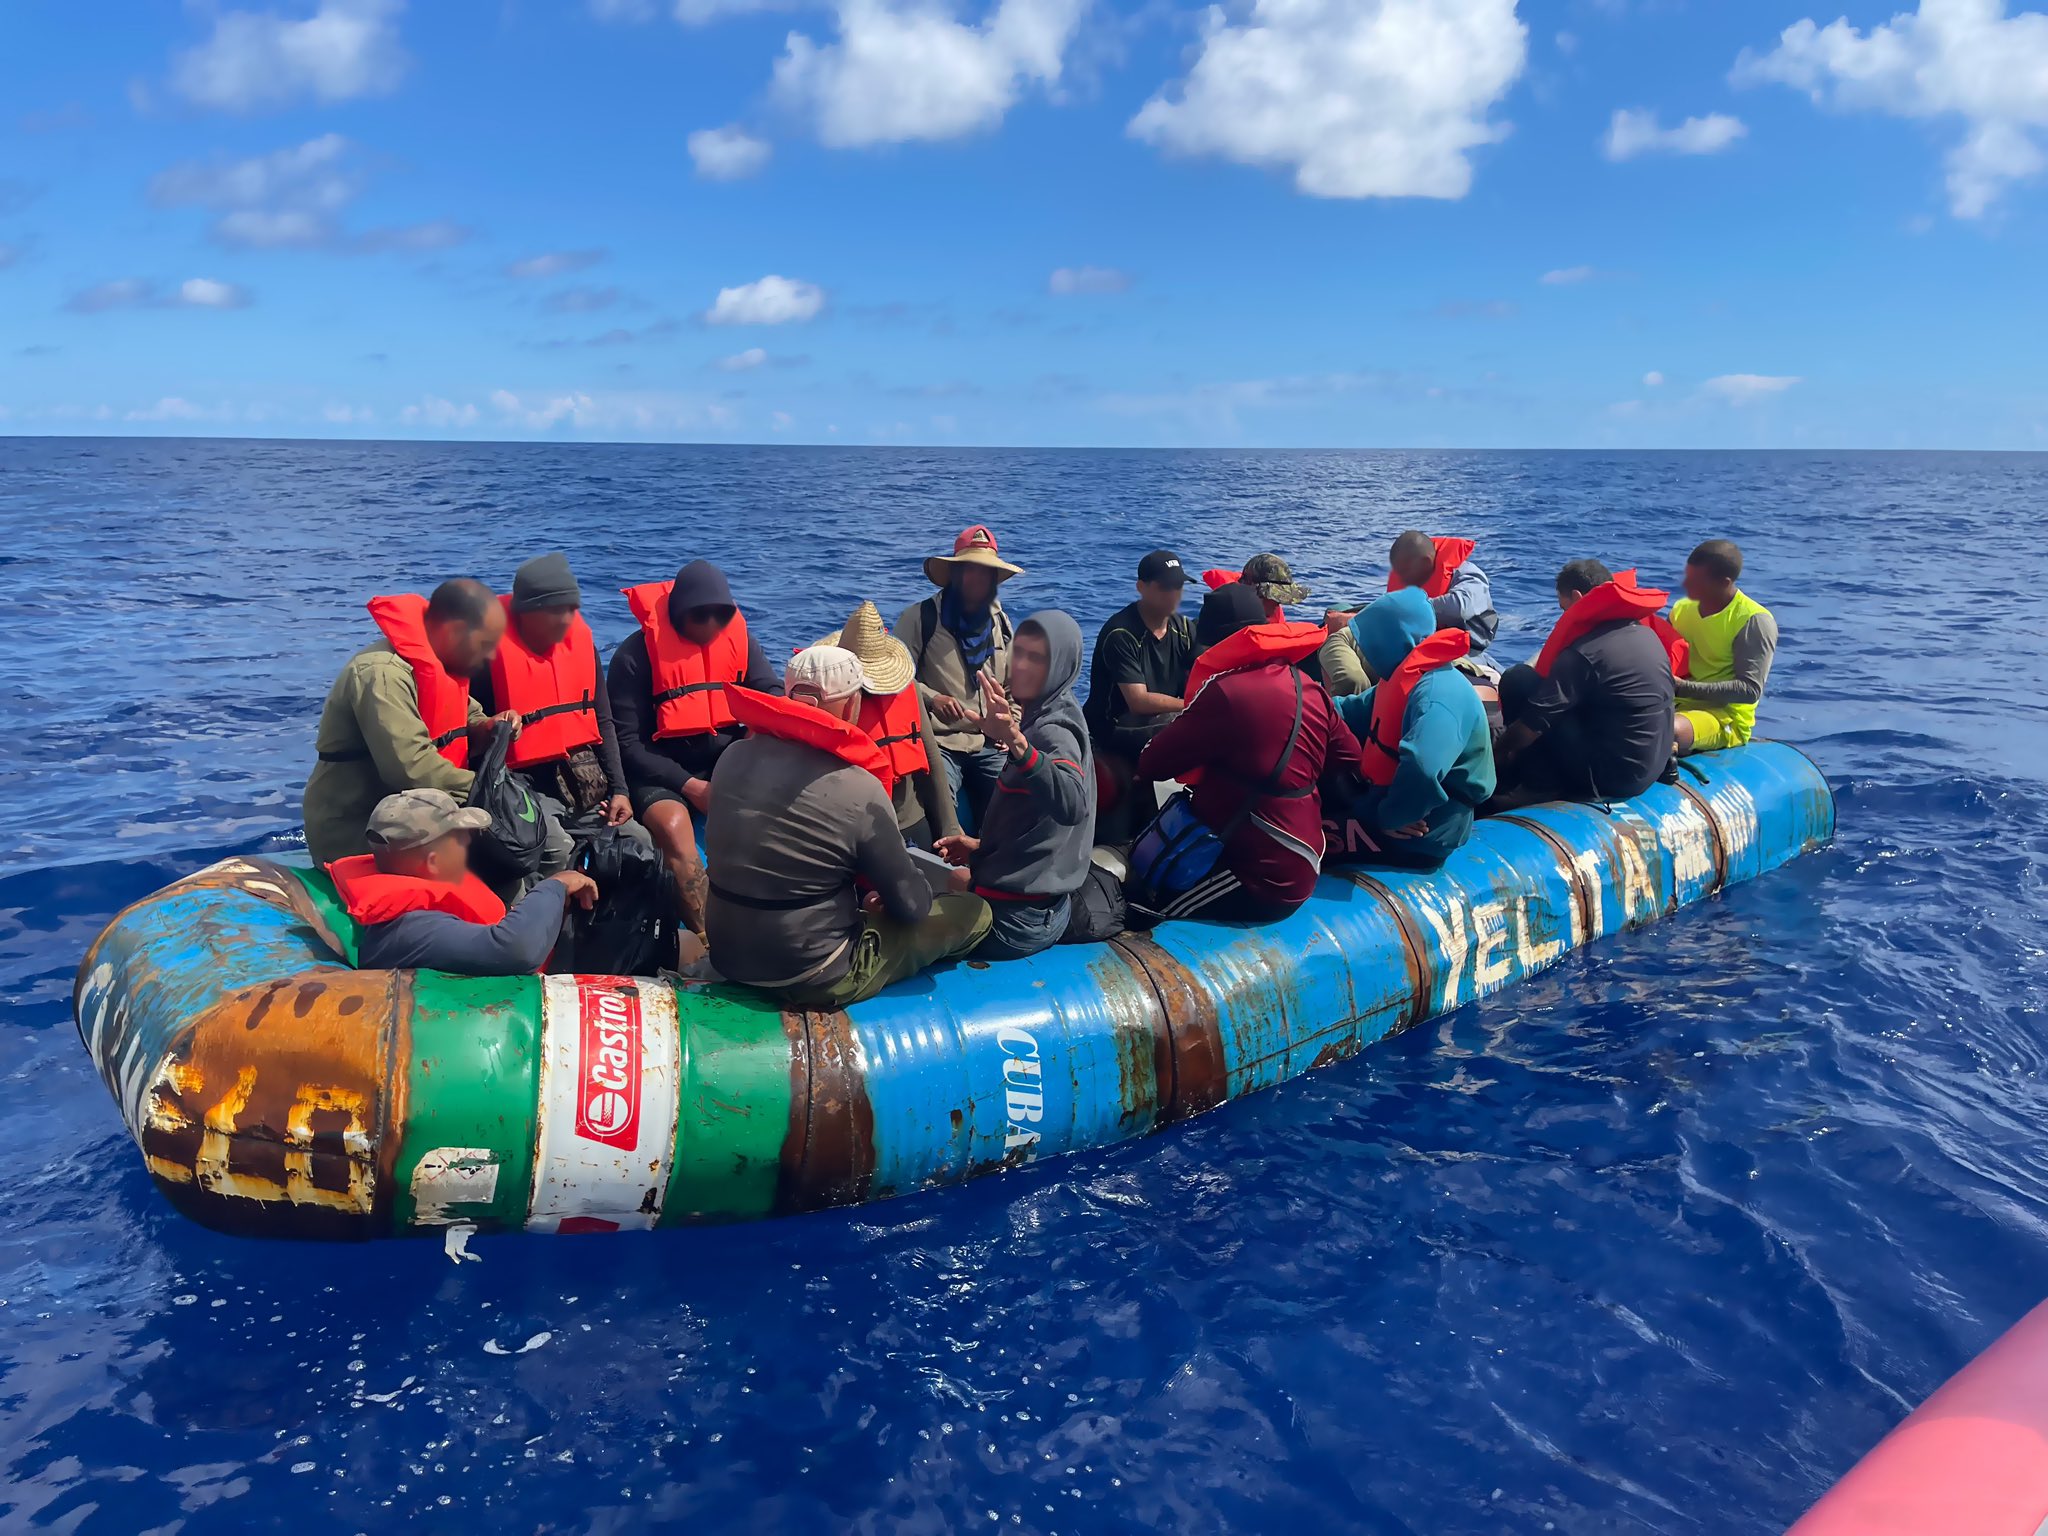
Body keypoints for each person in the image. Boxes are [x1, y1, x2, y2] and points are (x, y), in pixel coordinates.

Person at [705, 646, 992, 1007]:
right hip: (814, 972)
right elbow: (913, 908)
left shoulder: (731, 758)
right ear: (850, 705)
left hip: (728, 955)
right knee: (975, 912)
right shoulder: (858, 786)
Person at [1131, 584, 1361, 923]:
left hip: (1259, 876)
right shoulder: (1305, 685)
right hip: (1305, 854)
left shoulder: (1225, 692)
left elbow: (1151, 763)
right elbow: (1350, 757)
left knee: (1144, 910)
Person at [609, 559, 779, 932]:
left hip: (724, 760)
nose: (711, 626)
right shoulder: (634, 657)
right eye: (699, 617)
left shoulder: (741, 642)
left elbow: (772, 694)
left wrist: (750, 743)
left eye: (720, 616)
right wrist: (693, 788)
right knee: (673, 826)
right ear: (677, 614)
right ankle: (707, 938)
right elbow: (627, 743)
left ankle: (771, 917)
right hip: (660, 769)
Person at [303, 579, 521, 865]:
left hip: (421, 814)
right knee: (505, 862)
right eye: (485, 644)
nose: (491, 655)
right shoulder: (383, 675)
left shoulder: (443, 666)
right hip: (362, 830)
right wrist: (492, 792)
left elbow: (470, 717)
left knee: (526, 848)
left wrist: (490, 727)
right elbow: (411, 769)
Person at [935, 612, 1096, 960]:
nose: (1020, 665)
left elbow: (1071, 804)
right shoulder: (1058, 708)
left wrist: (1016, 742)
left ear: (1061, 664)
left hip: (1017, 922)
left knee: (896, 908)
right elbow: (1039, 822)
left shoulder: (1053, 730)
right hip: (1047, 908)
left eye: (1036, 658)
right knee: (955, 879)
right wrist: (980, 847)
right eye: (1017, 652)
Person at [470, 552, 639, 882]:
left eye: (571, 609)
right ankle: (543, 926)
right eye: (555, 610)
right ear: (525, 613)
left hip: (578, 780)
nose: (566, 619)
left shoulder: (580, 645)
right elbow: (470, 732)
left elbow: (601, 720)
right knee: (555, 848)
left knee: (638, 840)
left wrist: (620, 790)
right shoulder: (487, 656)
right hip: (518, 785)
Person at [328, 788, 598, 976]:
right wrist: (556, 885)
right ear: (433, 861)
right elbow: (516, 950)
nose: (468, 842)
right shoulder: (410, 930)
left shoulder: (419, 892)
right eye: (458, 837)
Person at [1324, 588, 1495, 867]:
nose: (1364, 649)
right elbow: (1350, 710)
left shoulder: (1438, 695)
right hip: (1386, 802)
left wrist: (1391, 816)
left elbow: (1423, 765)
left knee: (1307, 838)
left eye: (1370, 641)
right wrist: (1304, 704)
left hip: (1423, 831)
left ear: (1390, 640)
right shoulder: (1405, 678)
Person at [1491, 560, 1676, 808]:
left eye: (1564, 608)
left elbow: (1533, 724)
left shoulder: (1586, 652)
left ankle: (1537, 787)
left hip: (1610, 779)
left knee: (1519, 680)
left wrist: (1494, 758)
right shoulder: (1645, 634)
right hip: (1651, 765)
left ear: (1577, 598)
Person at [895, 525, 1019, 829]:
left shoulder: (1001, 624)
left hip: (989, 743)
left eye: (987, 572)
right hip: (941, 743)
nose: (979, 579)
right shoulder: (920, 617)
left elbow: (1015, 687)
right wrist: (931, 698)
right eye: (971, 570)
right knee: (938, 810)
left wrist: (1010, 724)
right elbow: (893, 676)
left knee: (1020, 805)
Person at [821, 600, 961, 850]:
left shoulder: (909, 690)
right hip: (853, 829)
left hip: (909, 823)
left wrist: (949, 827)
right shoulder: (829, 699)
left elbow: (930, 757)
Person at [1083, 549, 1195, 842]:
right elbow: (1138, 699)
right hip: (1113, 730)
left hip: (1158, 724)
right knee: (1178, 721)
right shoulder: (1121, 632)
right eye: (1165, 587)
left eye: (1178, 587)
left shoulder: (1183, 630)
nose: (1173, 595)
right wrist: (1191, 705)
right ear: (1142, 587)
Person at [1671, 539, 1778, 755]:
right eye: (1687, 576)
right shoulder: (1680, 610)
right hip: (1674, 703)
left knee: (1665, 730)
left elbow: (1749, 690)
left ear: (1724, 583)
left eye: (1696, 580)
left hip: (1723, 716)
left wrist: (1683, 688)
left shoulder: (1753, 620)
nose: (1685, 585)